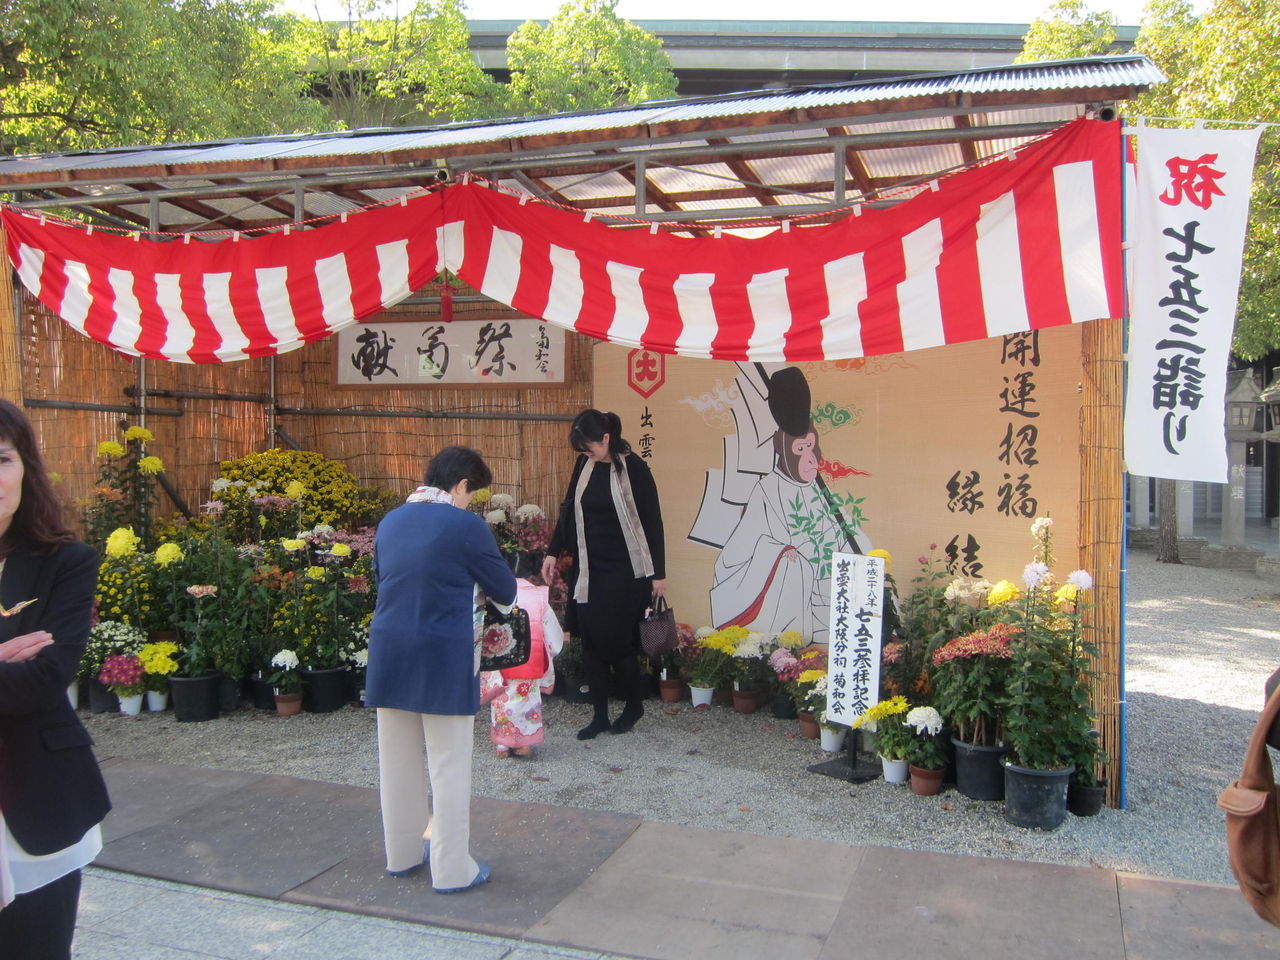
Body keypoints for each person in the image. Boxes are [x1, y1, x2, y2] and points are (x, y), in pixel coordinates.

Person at [365, 445, 516, 894]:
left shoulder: (390, 522)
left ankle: (402, 855)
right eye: (474, 494)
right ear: (462, 485)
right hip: (444, 654)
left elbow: (385, 579)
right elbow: (506, 591)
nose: (473, 503)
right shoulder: (464, 524)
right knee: (448, 765)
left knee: (396, 762)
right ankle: (452, 870)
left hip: (389, 650)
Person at [0, 399, 110, 958]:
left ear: (26, 468)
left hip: (34, 799)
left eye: (2, 459)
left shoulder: (65, 561)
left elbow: (47, 677)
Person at [542, 409, 665, 740]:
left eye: (589, 447)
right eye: (581, 449)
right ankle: (598, 716)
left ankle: (634, 705)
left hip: (626, 571)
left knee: (619, 644)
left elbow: (653, 521)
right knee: (591, 645)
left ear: (606, 438)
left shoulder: (634, 468)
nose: (585, 453)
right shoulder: (584, 465)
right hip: (588, 569)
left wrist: (659, 573)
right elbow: (569, 509)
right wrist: (553, 552)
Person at [479, 553, 564, 758]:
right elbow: (552, 633)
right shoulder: (538, 596)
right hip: (530, 658)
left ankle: (502, 745)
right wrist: (551, 651)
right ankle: (524, 744)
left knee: (502, 700)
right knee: (527, 700)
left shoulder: (495, 596)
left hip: (501, 658)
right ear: (531, 575)